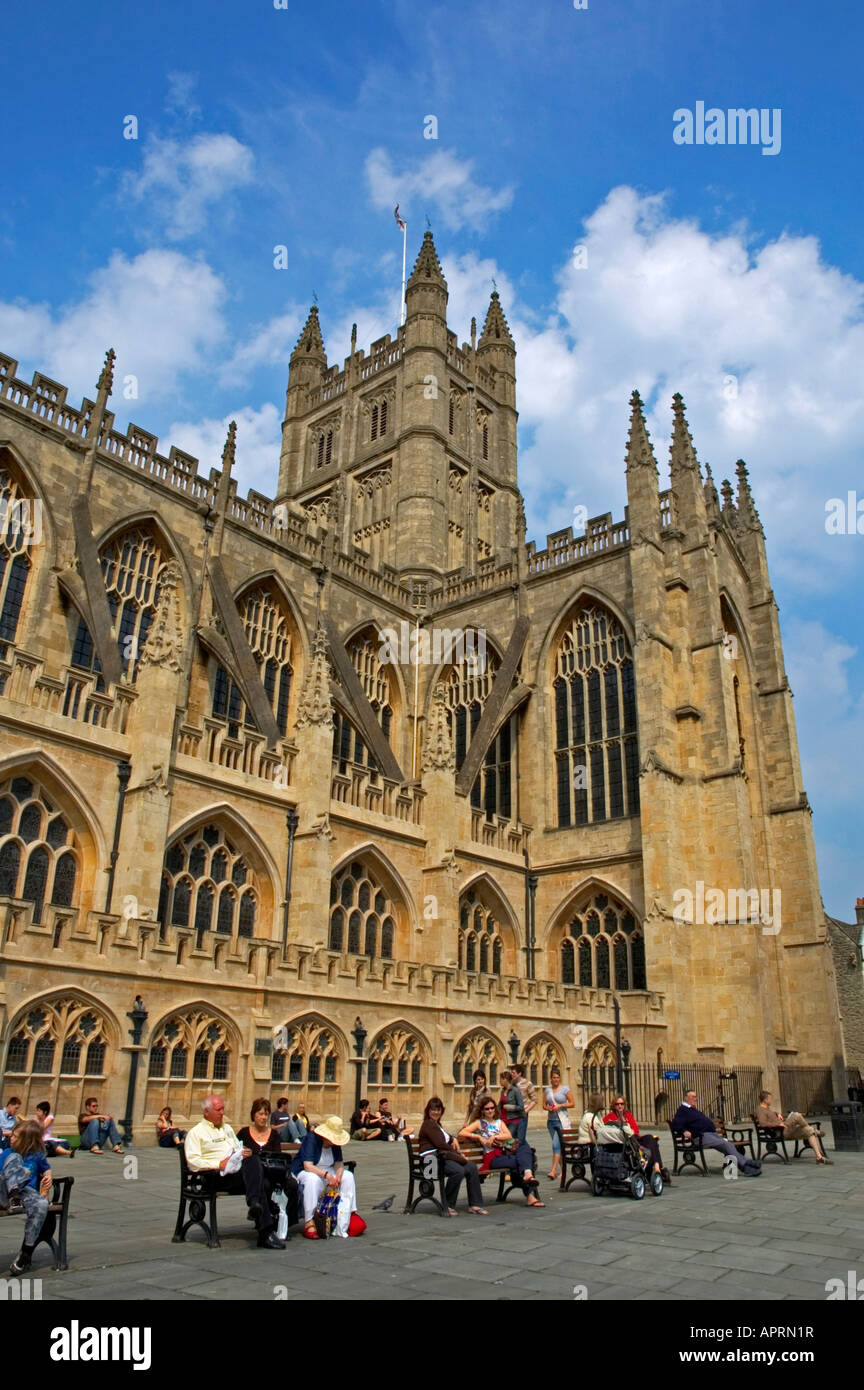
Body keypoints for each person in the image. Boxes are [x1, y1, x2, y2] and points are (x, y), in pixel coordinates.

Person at [184, 1095, 286, 1249]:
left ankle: (258, 1214)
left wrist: (241, 1153)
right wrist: (218, 1163)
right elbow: (193, 1162)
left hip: (234, 1171)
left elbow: (237, 1147)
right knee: (261, 1182)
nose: (222, 1113)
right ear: (206, 1112)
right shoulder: (196, 1133)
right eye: (218, 1110)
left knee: (255, 1163)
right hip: (214, 1176)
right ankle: (265, 1229)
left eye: (223, 1109)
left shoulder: (227, 1129)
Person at [460, 1098, 545, 1207]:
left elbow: (508, 1135)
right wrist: (479, 1137)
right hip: (493, 1158)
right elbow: (463, 1132)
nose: (490, 1111)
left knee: (523, 1146)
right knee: (526, 1159)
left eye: (492, 1108)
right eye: (487, 1109)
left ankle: (527, 1177)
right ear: (482, 1110)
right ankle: (528, 1183)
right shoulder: (479, 1123)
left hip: (505, 1152)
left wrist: (495, 1136)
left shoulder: (499, 1122)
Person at [236, 1098, 299, 1231]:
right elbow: (236, 1152)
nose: (263, 1117)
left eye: (266, 1114)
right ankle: (264, 1220)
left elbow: (277, 1156)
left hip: (274, 1172)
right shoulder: (244, 1133)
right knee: (264, 1185)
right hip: (254, 1176)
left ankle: (283, 1220)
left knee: (292, 1185)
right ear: (254, 1115)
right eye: (260, 1114)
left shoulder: (274, 1134)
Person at [0, 1119, 53, 1275]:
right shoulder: (8, 1153)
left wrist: (48, 1177)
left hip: (25, 1194)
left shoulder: (37, 1156)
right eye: (12, 1135)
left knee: (42, 1205)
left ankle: (26, 1252)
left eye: (16, 1136)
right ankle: (13, 1194)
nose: (12, 1138)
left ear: (27, 1141)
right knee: (15, 1159)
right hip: (4, 1194)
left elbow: (47, 1169)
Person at [418, 1097, 487, 1216]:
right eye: (433, 1109)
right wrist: (460, 1156)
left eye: (438, 1110)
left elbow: (446, 1138)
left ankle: (475, 1204)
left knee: (471, 1167)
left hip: (441, 1157)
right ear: (428, 1111)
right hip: (431, 1162)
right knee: (458, 1171)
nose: (436, 1112)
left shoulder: (437, 1125)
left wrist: (453, 1138)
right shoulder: (428, 1124)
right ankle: (447, 1204)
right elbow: (441, 1145)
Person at [291, 1115, 357, 1239]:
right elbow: (308, 1165)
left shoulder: (335, 1144)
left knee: (348, 1177)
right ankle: (309, 1220)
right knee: (313, 1180)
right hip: (308, 1170)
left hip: (327, 1170)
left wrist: (338, 1176)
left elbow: (338, 1163)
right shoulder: (312, 1138)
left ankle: (350, 1213)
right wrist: (327, 1176)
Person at [671, 1090, 761, 1174]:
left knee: (728, 1144)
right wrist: (684, 1131)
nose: (696, 1098)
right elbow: (676, 1124)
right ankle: (746, 1164)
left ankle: (744, 1165)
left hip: (710, 1134)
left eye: (696, 1096)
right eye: (693, 1097)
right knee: (725, 1144)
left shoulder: (692, 1109)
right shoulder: (683, 1110)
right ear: (686, 1098)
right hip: (700, 1137)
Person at [603, 1096, 669, 1182]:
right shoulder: (609, 1117)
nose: (620, 1106)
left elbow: (636, 1130)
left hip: (634, 1139)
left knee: (651, 1138)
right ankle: (657, 1168)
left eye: (622, 1104)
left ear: (624, 1105)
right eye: (617, 1104)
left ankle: (656, 1165)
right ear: (614, 1105)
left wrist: (629, 1128)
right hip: (622, 1143)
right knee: (652, 1144)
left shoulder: (628, 1115)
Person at [755, 1091, 832, 1164]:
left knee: (809, 1131)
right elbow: (762, 1123)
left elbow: (770, 1115)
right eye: (770, 1099)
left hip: (785, 1129)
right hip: (780, 1131)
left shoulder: (766, 1109)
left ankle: (819, 1157)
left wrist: (777, 1114)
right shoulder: (760, 1110)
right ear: (765, 1100)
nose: (771, 1101)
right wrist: (777, 1125)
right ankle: (816, 1131)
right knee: (796, 1115)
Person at [544, 1066, 574, 1180]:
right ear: (551, 1079)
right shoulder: (547, 1090)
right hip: (551, 1121)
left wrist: (561, 1105)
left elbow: (572, 1103)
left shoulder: (565, 1089)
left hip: (561, 1121)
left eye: (557, 1077)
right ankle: (564, 1171)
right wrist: (549, 1108)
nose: (555, 1079)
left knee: (556, 1145)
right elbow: (544, 1105)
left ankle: (553, 1171)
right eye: (553, 1077)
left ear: (559, 1078)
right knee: (559, 1147)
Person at [512, 1063, 537, 1145]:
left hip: (522, 1114)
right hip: (512, 1114)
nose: (512, 1075)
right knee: (512, 1137)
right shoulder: (511, 1084)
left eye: (514, 1073)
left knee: (520, 1138)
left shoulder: (527, 1084)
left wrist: (526, 1110)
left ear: (519, 1073)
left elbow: (534, 1100)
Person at [500, 1069, 526, 1139]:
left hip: (513, 1119)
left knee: (508, 1138)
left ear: (505, 1080)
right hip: (503, 1119)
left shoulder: (515, 1090)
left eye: (501, 1079)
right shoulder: (502, 1091)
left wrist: (510, 1107)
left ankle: (526, 1149)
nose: (500, 1081)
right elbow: (500, 1105)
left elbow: (521, 1107)